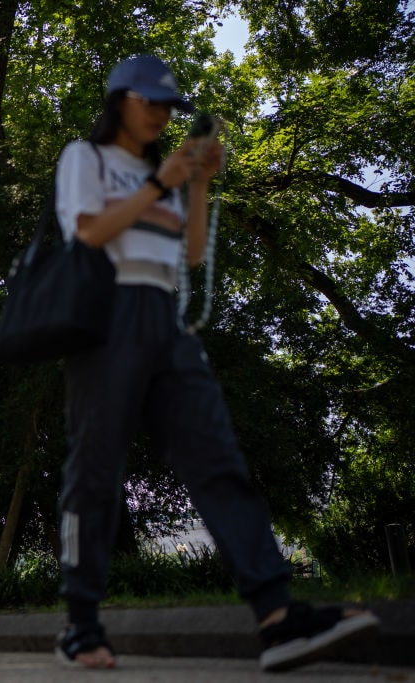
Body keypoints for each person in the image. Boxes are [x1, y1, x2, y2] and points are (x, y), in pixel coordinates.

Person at [52, 53, 380, 672]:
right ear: (119, 100)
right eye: (147, 102)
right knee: (95, 470)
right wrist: (161, 183)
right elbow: (88, 231)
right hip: (105, 317)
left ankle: (278, 617)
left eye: (166, 106)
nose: (158, 114)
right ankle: (81, 621)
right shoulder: (85, 159)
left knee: (218, 458)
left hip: (163, 317)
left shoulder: (165, 173)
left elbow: (192, 251)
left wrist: (197, 183)